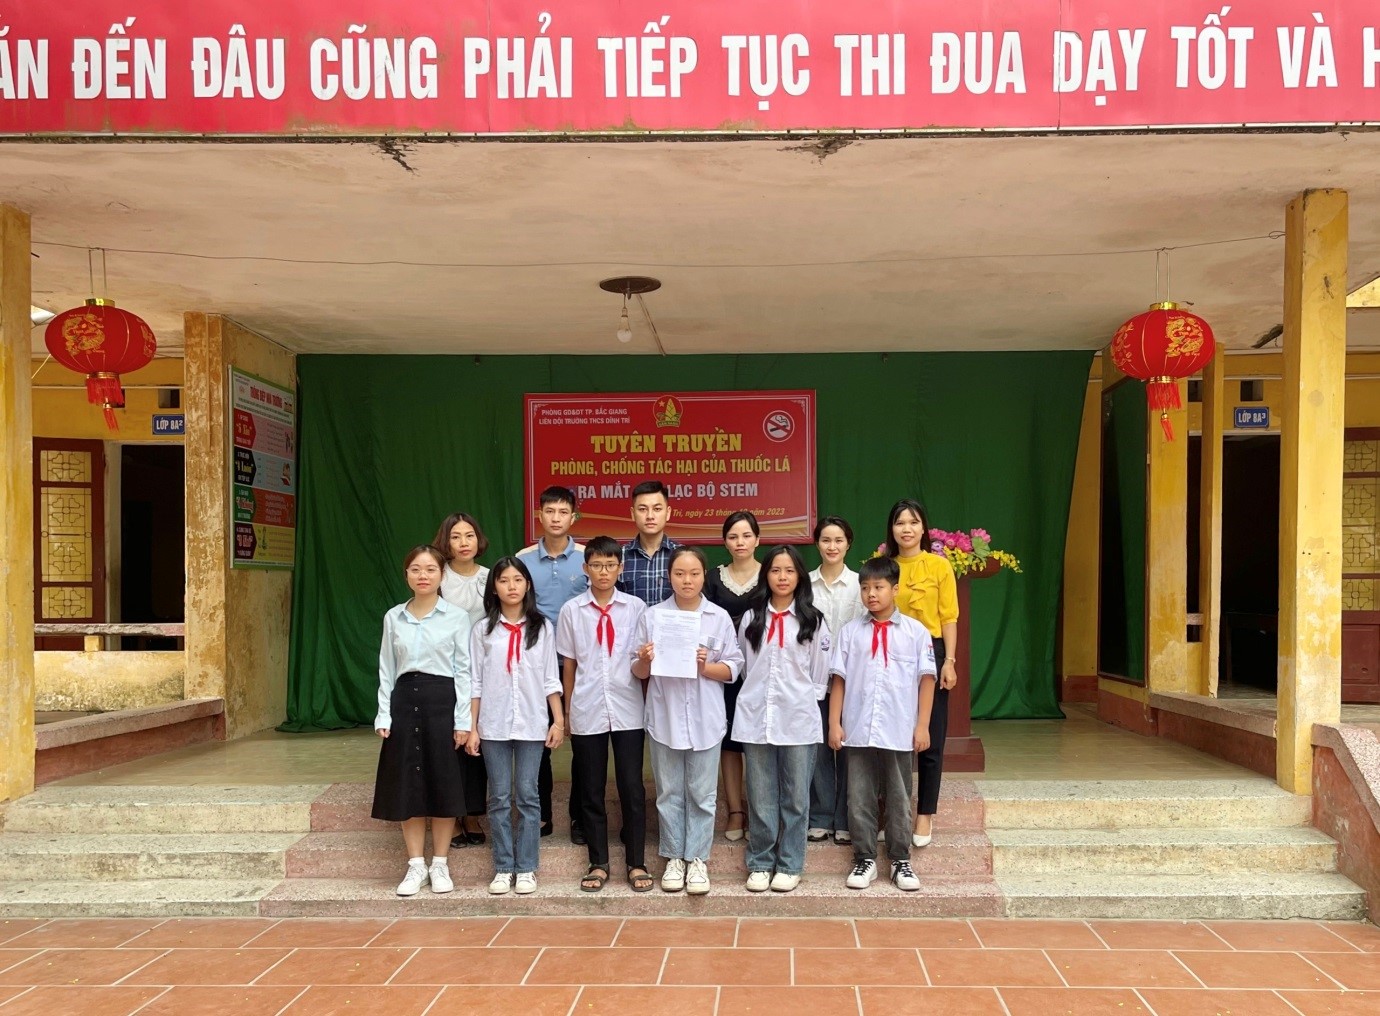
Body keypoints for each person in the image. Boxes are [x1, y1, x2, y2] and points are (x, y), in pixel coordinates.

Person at [631, 546, 744, 895]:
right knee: (668, 792)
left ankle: (696, 859)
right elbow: (636, 671)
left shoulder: (718, 617)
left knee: (702, 794)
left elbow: (734, 667)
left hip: (706, 718)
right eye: (679, 573)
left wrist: (706, 667)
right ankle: (673, 858)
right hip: (664, 717)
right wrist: (645, 659)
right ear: (669, 577)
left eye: (694, 573)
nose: (687, 580)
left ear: (703, 576)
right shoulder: (653, 617)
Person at [828, 556, 936, 892]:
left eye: (878, 587)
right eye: (864, 588)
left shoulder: (916, 633)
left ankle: (900, 859)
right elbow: (839, 680)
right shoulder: (850, 633)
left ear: (895, 589)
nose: (871, 594)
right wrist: (834, 723)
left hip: (898, 728)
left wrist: (922, 725)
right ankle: (864, 858)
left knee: (899, 795)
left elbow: (927, 680)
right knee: (859, 795)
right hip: (858, 727)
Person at [371, 544, 472, 897]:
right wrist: (384, 712)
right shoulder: (393, 617)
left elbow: (464, 671)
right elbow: (386, 668)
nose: (423, 576)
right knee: (407, 785)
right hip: (403, 702)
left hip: (442, 703)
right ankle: (415, 865)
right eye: (416, 569)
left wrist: (463, 720)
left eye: (430, 569)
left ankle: (440, 863)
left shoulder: (457, 617)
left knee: (443, 782)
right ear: (407, 575)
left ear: (442, 575)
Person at [555, 536, 652, 893]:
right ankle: (598, 862)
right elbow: (569, 664)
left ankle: (636, 862)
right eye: (596, 565)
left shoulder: (636, 608)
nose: (603, 572)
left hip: (628, 709)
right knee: (591, 789)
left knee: (631, 786)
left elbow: (642, 662)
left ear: (620, 568)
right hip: (587, 707)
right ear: (585, 568)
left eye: (610, 565)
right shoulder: (571, 611)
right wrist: (567, 711)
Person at [734, 545, 832, 893]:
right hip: (756, 716)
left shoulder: (813, 620)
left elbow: (819, 675)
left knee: (796, 797)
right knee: (760, 795)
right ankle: (761, 862)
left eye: (790, 571)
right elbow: (745, 668)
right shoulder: (751, 618)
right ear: (766, 575)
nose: (782, 577)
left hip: (798, 718)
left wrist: (796, 702)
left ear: (800, 576)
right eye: (775, 570)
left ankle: (790, 864)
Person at [468, 557, 564, 896]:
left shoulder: (543, 627)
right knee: (498, 796)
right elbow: (475, 682)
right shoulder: (482, 630)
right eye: (504, 580)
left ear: (527, 585)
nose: (512, 586)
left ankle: (526, 867)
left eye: (518, 580)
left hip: (532, 723)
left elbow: (551, 677)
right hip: (493, 724)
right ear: (494, 587)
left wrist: (558, 720)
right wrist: (473, 727)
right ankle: (503, 866)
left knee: (527, 795)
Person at [517, 485, 589, 844]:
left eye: (563, 512)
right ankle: (541, 814)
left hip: (582, 666)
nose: (556, 518)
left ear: (573, 516)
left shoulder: (589, 558)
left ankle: (580, 816)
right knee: (538, 742)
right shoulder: (523, 559)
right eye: (550, 511)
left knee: (583, 745)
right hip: (535, 668)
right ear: (539, 516)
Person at [886, 498, 959, 847]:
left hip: (932, 651)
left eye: (913, 522)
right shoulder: (885, 567)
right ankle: (892, 810)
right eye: (900, 522)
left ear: (923, 528)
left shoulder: (939, 566)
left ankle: (925, 813)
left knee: (931, 734)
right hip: (891, 653)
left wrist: (950, 661)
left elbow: (949, 617)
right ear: (892, 529)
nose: (907, 529)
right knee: (891, 736)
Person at [433, 511, 490, 849]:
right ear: (446, 542)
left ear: (478, 539)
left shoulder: (490, 577)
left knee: (476, 743)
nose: (463, 542)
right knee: (450, 744)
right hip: (446, 670)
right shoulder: (437, 577)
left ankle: (472, 812)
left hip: (483, 670)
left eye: (469, 535)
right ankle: (451, 814)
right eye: (456, 536)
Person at [704, 510, 760, 842]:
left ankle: (762, 808)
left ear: (757, 539)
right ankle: (736, 809)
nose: (740, 542)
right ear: (725, 542)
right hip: (722, 671)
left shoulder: (772, 573)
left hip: (762, 671)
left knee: (759, 740)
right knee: (729, 742)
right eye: (733, 536)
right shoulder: (713, 578)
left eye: (746, 535)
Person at [808, 515, 862, 845]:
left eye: (838, 540)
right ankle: (820, 816)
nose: (832, 546)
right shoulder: (805, 584)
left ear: (848, 544)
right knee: (818, 750)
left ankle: (844, 818)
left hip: (853, 681)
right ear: (817, 543)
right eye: (826, 540)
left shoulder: (860, 584)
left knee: (850, 751)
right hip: (814, 680)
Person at [618, 480, 679, 606]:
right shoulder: (619, 556)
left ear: (668, 513)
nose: (650, 516)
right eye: (642, 509)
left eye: (657, 509)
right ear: (632, 514)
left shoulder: (681, 555)